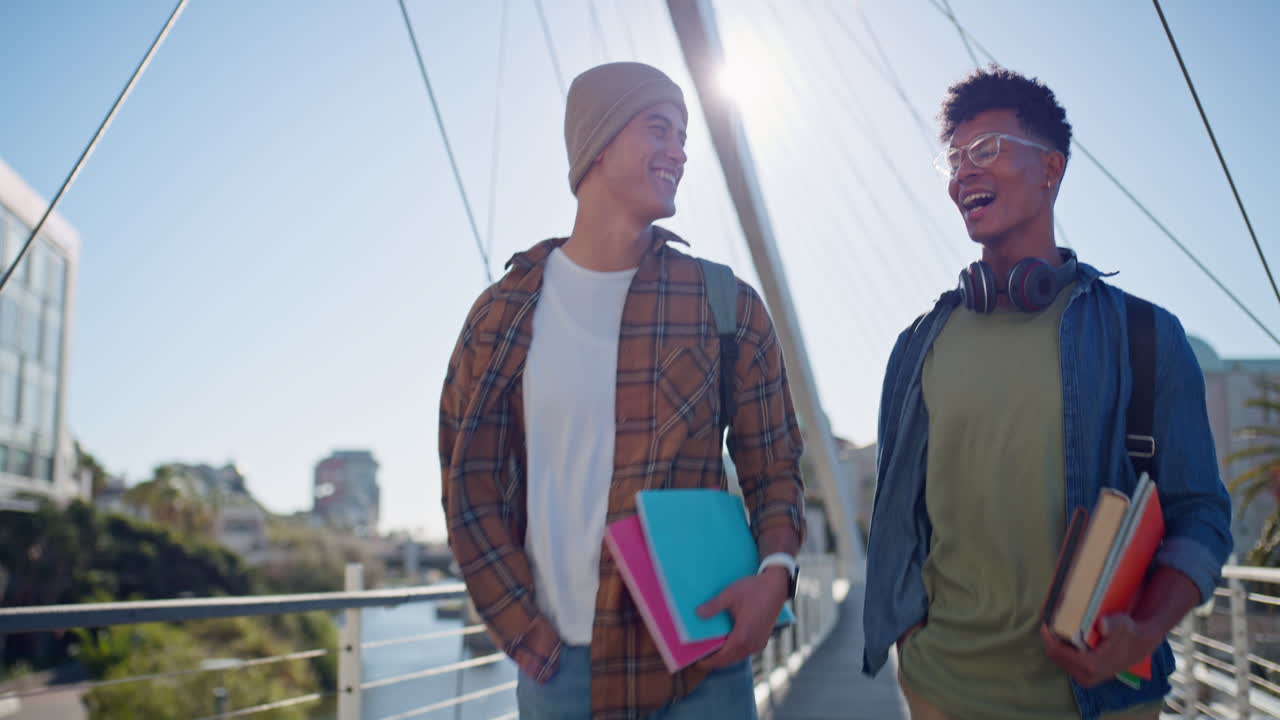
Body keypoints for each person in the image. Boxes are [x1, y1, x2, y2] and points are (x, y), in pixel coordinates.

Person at [861, 66, 1232, 720]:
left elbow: (1200, 511)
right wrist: (908, 643)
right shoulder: (915, 348)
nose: (962, 174)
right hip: (939, 691)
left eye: (986, 151)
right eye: (953, 160)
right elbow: (903, 517)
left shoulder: (1147, 336)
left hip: (1106, 701)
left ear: (1051, 169)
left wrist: (1143, 634)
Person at [438, 61, 805, 719]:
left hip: (701, 669)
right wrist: (523, 629)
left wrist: (775, 574)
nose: (679, 152)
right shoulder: (501, 316)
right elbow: (469, 483)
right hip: (559, 674)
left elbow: (775, 467)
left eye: (685, 135)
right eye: (659, 128)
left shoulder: (725, 303)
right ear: (598, 143)